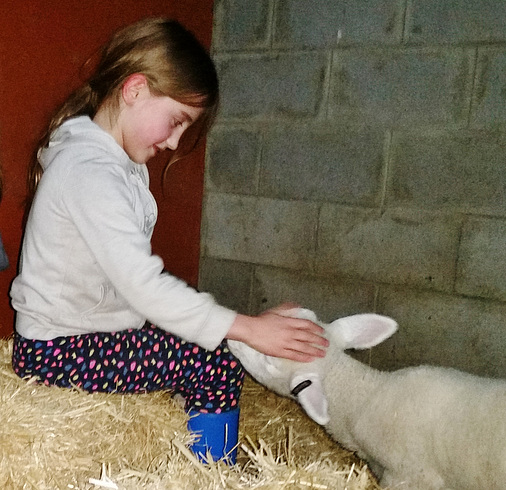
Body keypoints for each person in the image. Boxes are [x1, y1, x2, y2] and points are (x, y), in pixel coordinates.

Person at [10, 17, 328, 464]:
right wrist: (248, 329)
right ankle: (214, 472)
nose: (177, 141)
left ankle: (196, 427)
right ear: (135, 90)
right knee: (214, 363)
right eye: (177, 121)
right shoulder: (91, 173)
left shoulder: (110, 160)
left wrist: (241, 327)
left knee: (203, 323)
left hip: (80, 335)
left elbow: (138, 286)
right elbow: (144, 287)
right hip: (63, 351)